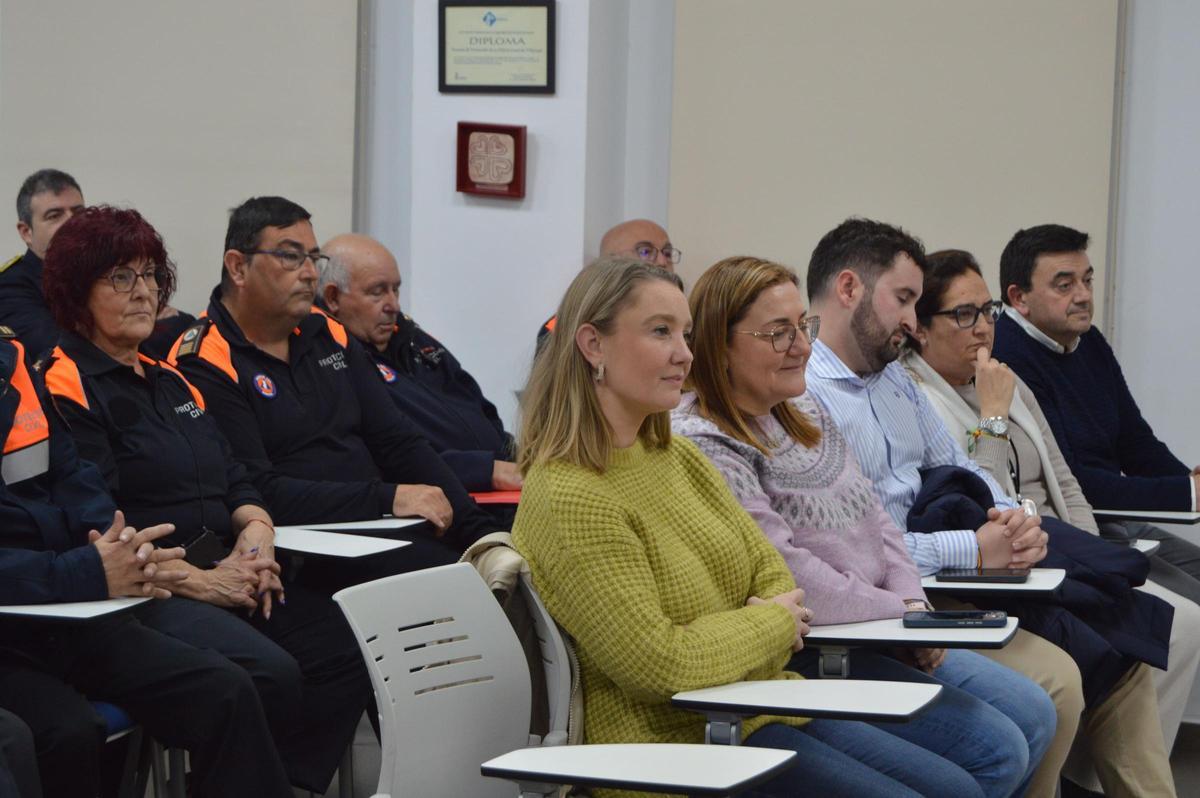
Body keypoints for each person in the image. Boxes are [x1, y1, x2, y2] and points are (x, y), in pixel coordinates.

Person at [512, 256, 1033, 798]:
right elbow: (660, 663)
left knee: (961, 780)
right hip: (674, 745)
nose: (683, 353)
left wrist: (761, 622)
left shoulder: (671, 456)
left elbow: (773, 575)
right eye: (660, 332)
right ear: (593, 345)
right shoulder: (572, 495)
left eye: (685, 334)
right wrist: (771, 624)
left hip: (757, 704)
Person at [804, 218, 1175, 798]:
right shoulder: (808, 398)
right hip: (906, 593)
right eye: (906, 300)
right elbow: (862, 546)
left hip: (970, 568)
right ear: (849, 289)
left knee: (1129, 645)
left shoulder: (895, 384)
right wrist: (976, 545)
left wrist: (1015, 520)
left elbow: (974, 469)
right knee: (1058, 685)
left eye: (986, 311)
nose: (910, 320)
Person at [673, 255, 1055, 795]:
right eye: (778, 334)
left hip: (881, 624)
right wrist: (899, 613)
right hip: (816, 648)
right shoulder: (706, 441)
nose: (802, 347)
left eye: (802, 327)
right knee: (995, 751)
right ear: (719, 344)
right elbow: (792, 575)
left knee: (1034, 713)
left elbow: (878, 519)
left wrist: (913, 605)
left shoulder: (804, 410)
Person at [41, 205, 372, 793]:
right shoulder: (65, 382)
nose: (144, 292)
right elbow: (98, 526)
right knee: (266, 674)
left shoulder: (170, 378)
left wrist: (256, 539)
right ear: (76, 292)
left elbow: (237, 477)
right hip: (148, 589)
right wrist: (204, 580)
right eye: (121, 277)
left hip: (223, 566)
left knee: (345, 648)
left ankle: (283, 783)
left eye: (151, 275)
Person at [0, 329, 294, 798]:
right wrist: (89, 569)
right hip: (20, 622)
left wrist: (119, 545)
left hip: (75, 609)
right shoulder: (63, 372)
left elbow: (72, 472)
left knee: (227, 691)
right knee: (66, 733)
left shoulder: (9, 356)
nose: (143, 295)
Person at [170, 196, 500, 576]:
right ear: (238, 267)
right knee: (448, 578)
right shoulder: (203, 358)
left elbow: (398, 441)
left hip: (377, 525)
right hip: (299, 546)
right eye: (291, 257)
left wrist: (481, 536)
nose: (310, 273)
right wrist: (387, 497)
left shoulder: (326, 331)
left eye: (314, 258)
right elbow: (257, 489)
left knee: (491, 558)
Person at [992, 224, 1200, 607]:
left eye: (1087, 280)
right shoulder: (1006, 355)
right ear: (1019, 297)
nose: (1084, 296)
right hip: (1069, 529)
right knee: (1192, 606)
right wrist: (1186, 494)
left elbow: (1135, 442)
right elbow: (1070, 479)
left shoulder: (1089, 341)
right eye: (1065, 285)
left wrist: (1190, 483)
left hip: (1116, 521)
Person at [319, 233, 521, 494]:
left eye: (395, 289)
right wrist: (484, 470)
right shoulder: (329, 362)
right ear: (333, 298)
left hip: (503, 486)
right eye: (377, 292)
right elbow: (380, 457)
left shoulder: (412, 338)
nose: (393, 305)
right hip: (441, 499)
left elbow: (478, 405)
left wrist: (516, 455)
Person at [536, 218, 681, 346]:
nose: (662, 261)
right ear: (610, 261)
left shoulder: (683, 320)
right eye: (645, 252)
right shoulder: (563, 324)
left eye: (667, 253)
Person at [1, 169, 84, 359]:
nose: (72, 223)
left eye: (79, 212)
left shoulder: (104, 273)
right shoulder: (9, 288)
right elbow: (57, 350)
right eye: (54, 216)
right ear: (26, 232)